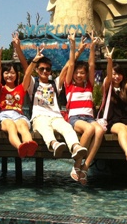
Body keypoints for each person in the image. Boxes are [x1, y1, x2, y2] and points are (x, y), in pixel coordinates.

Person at [23, 46, 87, 183]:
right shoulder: (33, 83)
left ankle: (76, 147)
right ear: (37, 70)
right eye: (42, 69)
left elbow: (67, 66)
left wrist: (79, 51)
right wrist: (34, 61)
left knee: (67, 128)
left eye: (47, 69)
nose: (45, 71)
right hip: (39, 117)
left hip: (56, 116)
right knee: (44, 128)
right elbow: (26, 75)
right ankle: (54, 144)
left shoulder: (55, 83)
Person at [64, 31, 105, 185]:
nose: (79, 75)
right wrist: (73, 46)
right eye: (77, 73)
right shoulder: (69, 85)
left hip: (89, 118)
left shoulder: (89, 86)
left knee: (99, 130)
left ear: (86, 75)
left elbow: (92, 65)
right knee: (90, 129)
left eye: (82, 73)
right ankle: (76, 165)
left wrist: (92, 47)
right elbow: (71, 64)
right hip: (75, 118)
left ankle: (85, 167)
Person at [0, 33, 38, 158]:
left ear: (16, 75)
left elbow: (27, 73)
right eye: (6, 73)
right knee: (11, 126)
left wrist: (32, 59)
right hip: (4, 115)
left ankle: (29, 144)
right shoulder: (0, 88)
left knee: (23, 126)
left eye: (12, 73)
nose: (9, 75)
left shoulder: (21, 88)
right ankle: (20, 147)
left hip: (19, 115)